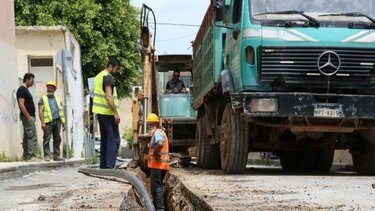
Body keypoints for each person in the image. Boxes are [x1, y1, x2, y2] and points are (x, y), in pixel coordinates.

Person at [92, 57, 121, 169]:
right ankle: (109, 166)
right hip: (108, 113)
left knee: (105, 139)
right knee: (114, 139)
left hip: (100, 113)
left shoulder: (98, 76)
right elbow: (109, 97)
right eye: (116, 68)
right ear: (110, 66)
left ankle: (104, 165)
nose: (117, 71)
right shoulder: (108, 78)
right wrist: (116, 113)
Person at [147, 113, 170, 211]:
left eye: (149, 124)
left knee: (157, 188)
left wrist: (155, 152)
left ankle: (159, 209)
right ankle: (158, 207)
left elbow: (160, 143)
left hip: (158, 165)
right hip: (160, 165)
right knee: (156, 187)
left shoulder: (157, 133)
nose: (148, 126)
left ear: (153, 125)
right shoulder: (159, 132)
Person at [38, 81, 65, 161]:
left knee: (57, 138)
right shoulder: (43, 98)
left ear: (54, 89)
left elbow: (60, 111)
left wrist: (63, 123)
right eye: (48, 87)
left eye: (51, 87)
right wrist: (42, 122)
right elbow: (40, 111)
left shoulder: (57, 99)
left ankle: (56, 155)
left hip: (57, 121)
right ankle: (46, 155)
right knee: (47, 138)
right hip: (48, 122)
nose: (49, 88)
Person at [16, 73, 38, 161]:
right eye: (32, 80)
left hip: (28, 116)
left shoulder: (26, 90)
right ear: (27, 80)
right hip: (27, 117)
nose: (33, 82)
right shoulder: (21, 90)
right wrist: (28, 117)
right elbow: (21, 104)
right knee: (32, 136)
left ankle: (26, 155)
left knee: (27, 136)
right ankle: (30, 156)